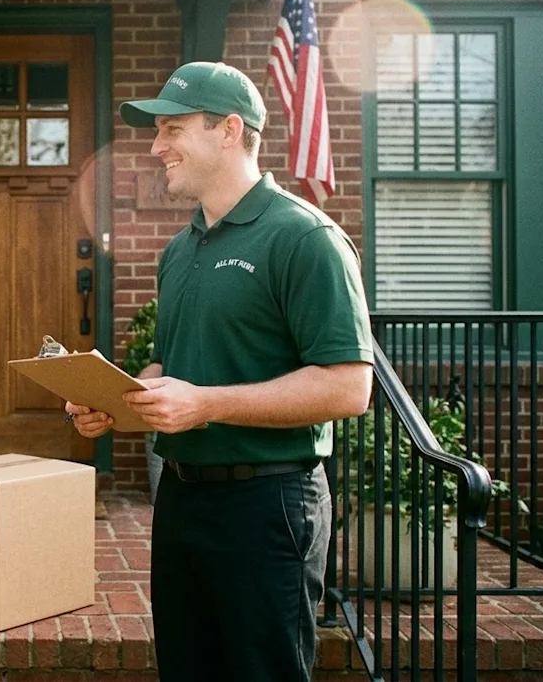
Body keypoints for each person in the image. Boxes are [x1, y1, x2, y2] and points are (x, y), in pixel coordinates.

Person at [66, 62, 374, 681]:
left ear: (229, 129)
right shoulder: (180, 249)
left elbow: (349, 385)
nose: (157, 147)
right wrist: (117, 403)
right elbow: (172, 369)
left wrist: (204, 404)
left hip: (269, 504)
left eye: (172, 129)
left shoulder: (305, 237)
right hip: (181, 498)